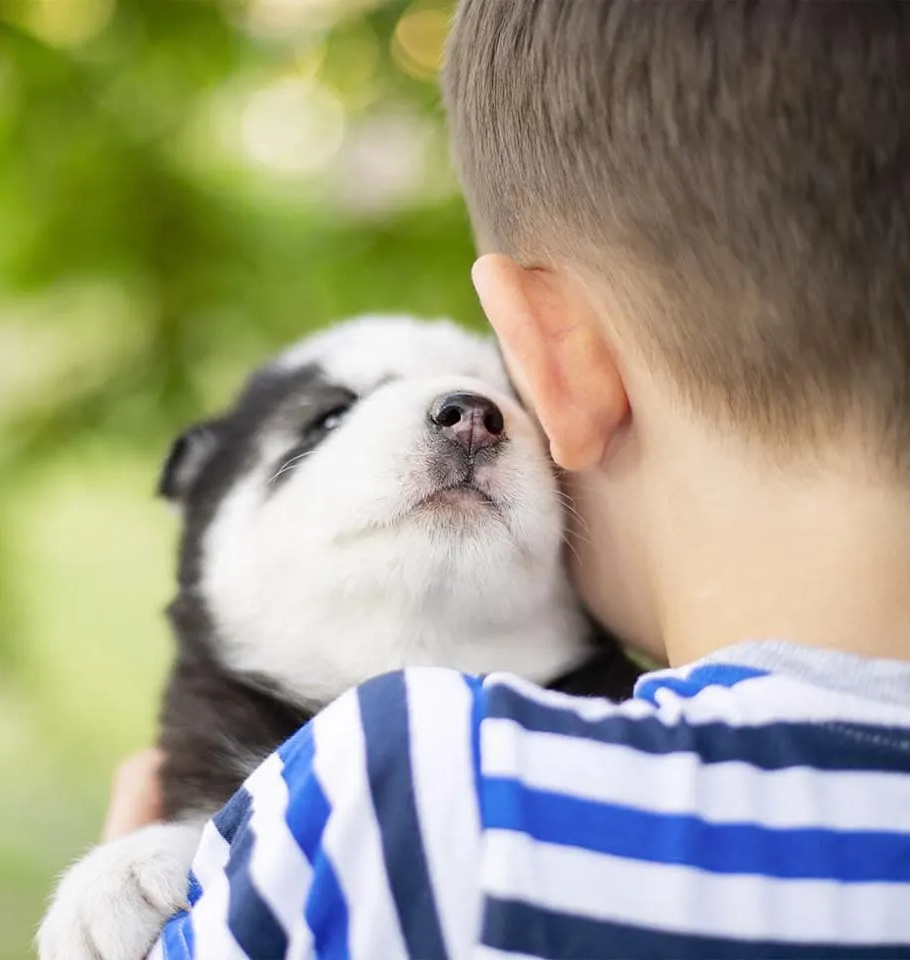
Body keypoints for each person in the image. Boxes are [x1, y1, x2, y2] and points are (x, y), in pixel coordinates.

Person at [105, 1, 910, 957]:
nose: (465, 421)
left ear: (561, 364)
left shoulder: (402, 808)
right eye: (325, 418)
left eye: (508, 396)